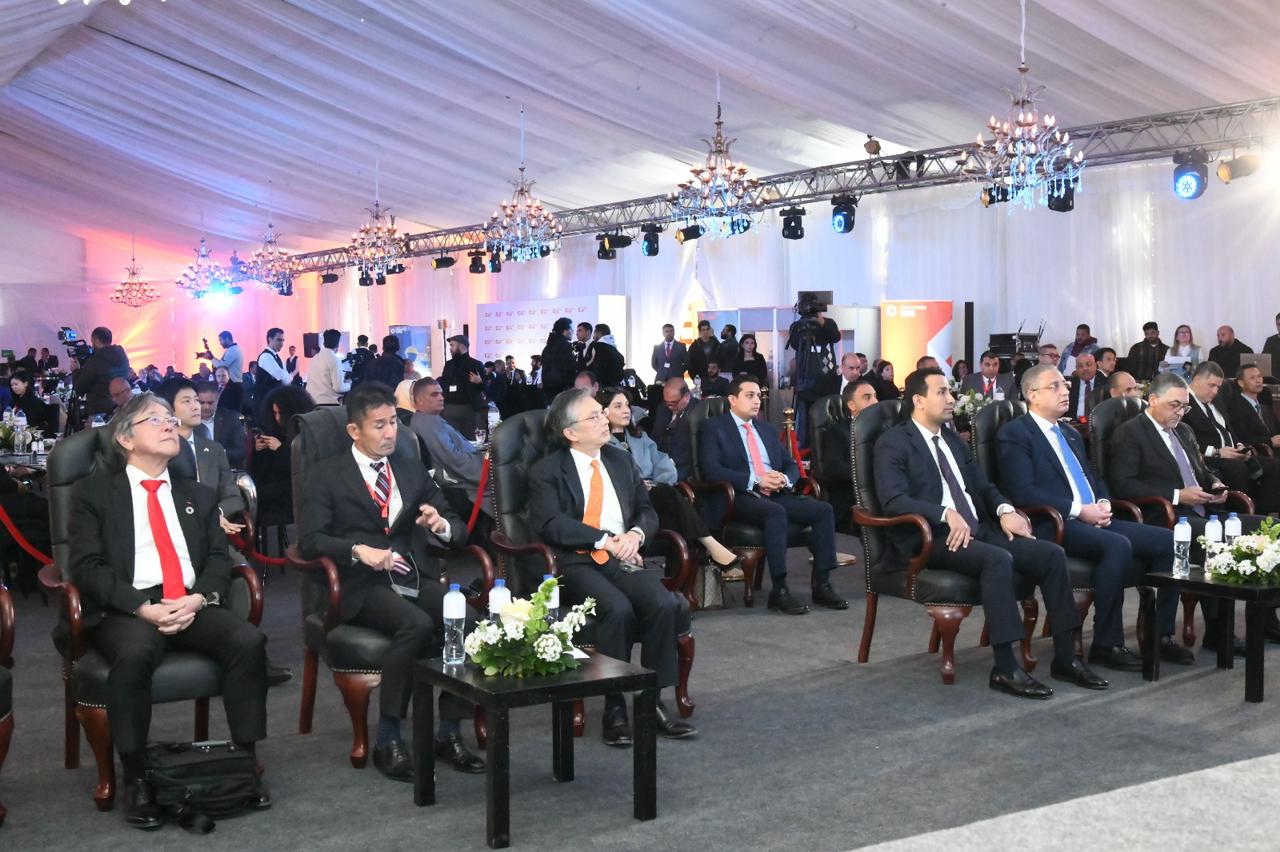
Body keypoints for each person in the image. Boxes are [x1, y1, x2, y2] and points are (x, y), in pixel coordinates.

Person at [69, 393, 269, 827]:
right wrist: (141, 607)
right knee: (135, 652)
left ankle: (243, 763)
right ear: (125, 438)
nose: (169, 426)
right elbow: (87, 567)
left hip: (189, 601)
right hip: (127, 607)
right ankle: (137, 778)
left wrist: (199, 598)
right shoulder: (95, 494)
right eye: (155, 420)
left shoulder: (196, 493)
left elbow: (218, 559)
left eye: (169, 420)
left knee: (247, 641)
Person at [873, 368, 1099, 698]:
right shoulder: (893, 442)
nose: (951, 399)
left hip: (977, 528)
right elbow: (894, 500)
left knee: (1050, 554)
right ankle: (1006, 667)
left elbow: (982, 486)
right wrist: (944, 513)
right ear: (919, 401)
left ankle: (1066, 657)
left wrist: (1006, 511)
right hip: (931, 537)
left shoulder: (952, 439)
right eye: (942, 392)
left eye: (950, 392)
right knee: (997, 559)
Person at [297, 382, 485, 779]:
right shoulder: (325, 475)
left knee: (465, 621)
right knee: (415, 625)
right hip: (358, 583)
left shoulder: (408, 466)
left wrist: (440, 524)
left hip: (410, 573)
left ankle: (449, 732)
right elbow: (311, 540)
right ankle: (389, 737)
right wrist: (356, 550)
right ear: (354, 430)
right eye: (378, 425)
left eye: (394, 423)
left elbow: (455, 523)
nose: (390, 433)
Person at [528, 389, 697, 744]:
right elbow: (551, 523)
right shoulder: (547, 470)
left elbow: (646, 510)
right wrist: (604, 540)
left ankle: (651, 702)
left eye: (601, 413)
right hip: (575, 560)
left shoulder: (620, 460)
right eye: (594, 416)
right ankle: (614, 704)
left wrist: (636, 535)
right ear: (570, 432)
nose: (604, 419)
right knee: (617, 609)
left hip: (622, 556)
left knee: (664, 603)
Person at [997, 364, 1185, 671]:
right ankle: (1106, 643)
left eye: (1065, 385)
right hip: (1054, 522)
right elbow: (1023, 491)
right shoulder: (1016, 433)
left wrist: (1103, 502)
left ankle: (1160, 635)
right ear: (1032, 394)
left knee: (1169, 541)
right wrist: (1079, 510)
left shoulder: (1070, 433)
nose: (1065, 391)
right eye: (1055, 386)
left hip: (1091, 516)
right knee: (1117, 545)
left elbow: (1093, 478)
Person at [1106, 371, 1269, 651]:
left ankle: (1268, 621)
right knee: (1214, 537)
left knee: (1268, 528)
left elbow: (1202, 470)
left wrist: (1215, 484)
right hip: (1164, 515)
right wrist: (1176, 495)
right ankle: (1217, 632)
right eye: (1175, 405)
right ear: (1153, 399)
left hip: (1201, 509)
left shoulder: (1184, 430)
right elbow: (1123, 484)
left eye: (1185, 407)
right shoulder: (1130, 432)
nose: (1180, 413)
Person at [699, 377, 845, 615]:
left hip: (775, 492)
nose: (756, 401)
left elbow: (791, 464)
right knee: (775, 512)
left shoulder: (765, 429)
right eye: (749, 395)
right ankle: (779, 589)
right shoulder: (714, 428)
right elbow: (712, 470)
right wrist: (756, 480)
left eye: (758, 395)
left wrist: (783, 479)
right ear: (732, 399)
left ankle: (822, 584)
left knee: (823, 510)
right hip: (739, 496)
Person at [599, 388, 744, 578]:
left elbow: (664, 463)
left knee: (673, 520)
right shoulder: (601, 443)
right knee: (668, 496)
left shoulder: (640, 437)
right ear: (604, 411)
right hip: (628, 501)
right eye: (618, 406)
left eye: (627, 405)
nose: (626, 410)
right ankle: (711, 546)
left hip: (655, 496)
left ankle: (675, 582)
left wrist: (656, 483)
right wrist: (641, 486)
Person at [1185, 362, 1280, 513]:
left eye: (1218, 387)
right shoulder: (1185, 403)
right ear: (1197, 380)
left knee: (1274, 466)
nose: (1215, 391)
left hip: (1232, 453)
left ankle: (1261, 515)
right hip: (1208, 456)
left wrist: (1240, 445)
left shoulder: (1216, 400)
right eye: (1211, 385)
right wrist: (1217, 452)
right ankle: (1239, 514)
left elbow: (1228, 429)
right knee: (1237, 468)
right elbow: (1187, 441)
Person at [155, 379, 246, 533]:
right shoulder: (158, 450)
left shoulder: (214, 449)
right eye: (187, 401)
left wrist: (216, 514)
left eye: (196, 400)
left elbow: (234, 498)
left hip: (213, 532)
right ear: (167, 409)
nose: (196, 406)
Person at [249, 385, 314, 546]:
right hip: (272, 490)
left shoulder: (306, 435)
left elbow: (301, 469)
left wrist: (281, 450)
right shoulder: (273, 432)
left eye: (280, 413)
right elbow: (259, 471)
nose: (277, 418)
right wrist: (258, 451)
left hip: (294, 492)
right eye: (274, 413)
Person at [409, 377, 489, 508]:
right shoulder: (429, 423)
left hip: (466, 473)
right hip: (465, 486)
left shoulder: (428, 419)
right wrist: (490, 466)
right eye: (434, 395)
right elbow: (454, 460)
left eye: (441, 394)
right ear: (419, 400)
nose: (441, 398)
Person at [817, 378, 878, 528]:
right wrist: (867, 475)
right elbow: (833, 466)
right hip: (851, 493)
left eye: (875, 396)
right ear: (852, 405)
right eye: (867, 397)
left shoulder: (885, 429)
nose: (875, 402)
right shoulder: (838, 432)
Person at [72, 326, 131, 418]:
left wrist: (75, 370)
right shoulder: (122, 357)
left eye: (92, 341)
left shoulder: (95, 361)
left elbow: (80, 388)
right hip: (121, 409)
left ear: (96, 340)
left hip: (99, 412)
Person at [650, 377, 700, 481]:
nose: (670, 406)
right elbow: (655, 437)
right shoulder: (662, 409)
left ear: (686, 396)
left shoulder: (699, 412)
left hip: (682, 466)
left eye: (674, 402)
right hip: (657, 461)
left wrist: (669, 462)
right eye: (666, 402)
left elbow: (695, 449)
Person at [1225, 363, 1280, 451]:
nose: (1258, 381)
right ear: (1241, 383)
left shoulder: (1266, 408)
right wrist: (1270, 442)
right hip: (1257, 454)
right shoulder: (1235, 408)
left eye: (1259, 376)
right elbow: (1241, 438)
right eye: (1252, 378)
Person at [438, 334, 485, 437]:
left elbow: (485, 389)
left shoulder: (476, 364)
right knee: (452, 440)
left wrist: (479, 382)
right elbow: (444, 383)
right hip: (450, 409)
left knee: (470, 441)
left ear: (462, 345)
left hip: (470, 409)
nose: (450, 348)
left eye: (452, 345)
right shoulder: (448, 365)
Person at [195, 380, 246, 466]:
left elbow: (241, 451)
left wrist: (219, 453)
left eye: (210, 403)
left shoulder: (231, 418)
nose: (206, 407)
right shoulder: (186, 420)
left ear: (218, 399)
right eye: (201, 402)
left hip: (224, 469)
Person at [252, 327, 294, 421]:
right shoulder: (265, 356)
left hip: (272, 401)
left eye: (283, 340)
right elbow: (283, 377)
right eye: (278, 340)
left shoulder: (276, 357)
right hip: (264, 404)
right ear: (270, 339)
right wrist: (286, 378)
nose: (281, 343)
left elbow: (285, 377)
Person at [308, 328, 350, 406]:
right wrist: (349, 384)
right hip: (329, 404)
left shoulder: (314, 358)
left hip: (312, 402)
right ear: (337, 344)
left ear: (324, 343)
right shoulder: (334, 359)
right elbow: (338, 388)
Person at [540, 318, 577, 402]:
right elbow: (569, 369)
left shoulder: (547, 347)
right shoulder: (565, 346)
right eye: (572, 330)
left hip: (548, 391)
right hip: (563, 391)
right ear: (565, 330)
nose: (573, 332)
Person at [584, 323, 625, 388]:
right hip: (616, 386)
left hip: (604, 387)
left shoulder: (599, 347)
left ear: (598, 333)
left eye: (594, 333)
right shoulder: (613, 348)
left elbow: (597, 369)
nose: (593, 336)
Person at [1066, 353, 1100, 420]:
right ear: (1076, 369)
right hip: (1073, 423)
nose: (1085, 368)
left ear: (1096, 366)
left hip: (1097, 423)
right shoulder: (1069, 385)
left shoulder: (1106, 384)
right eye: (1080, 366)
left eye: (1088, 364)